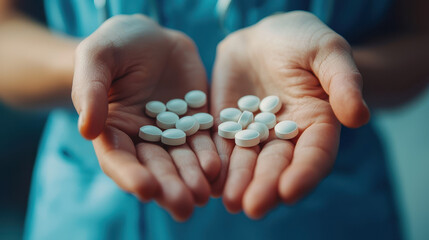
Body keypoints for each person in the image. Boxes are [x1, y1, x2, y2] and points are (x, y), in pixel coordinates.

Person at [0, 0, 428, 239]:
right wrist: (86, 68)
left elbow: (420, 39)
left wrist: (335, 73)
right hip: (95, 212)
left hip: (322, 210)